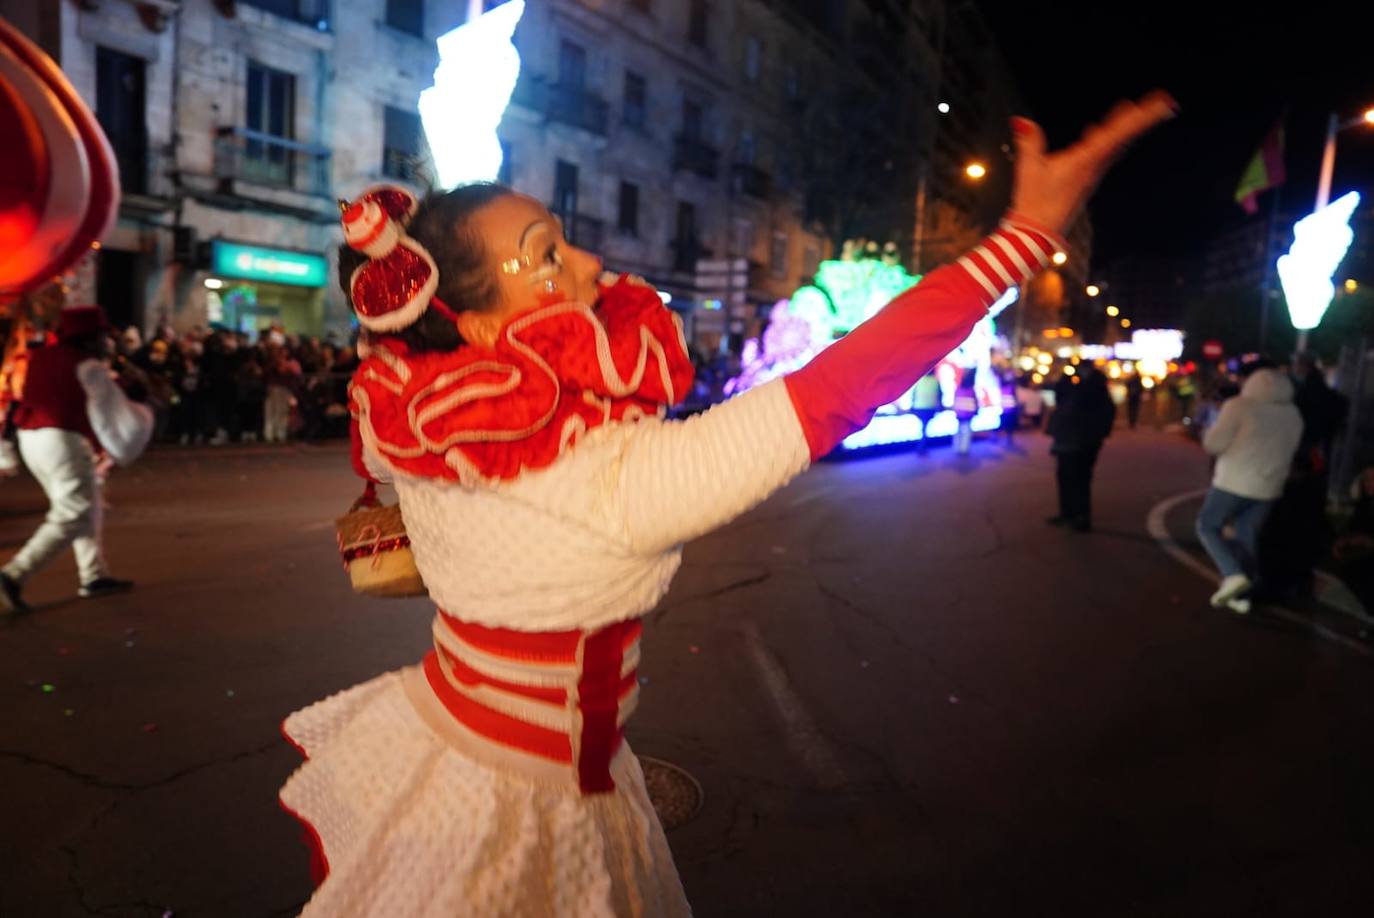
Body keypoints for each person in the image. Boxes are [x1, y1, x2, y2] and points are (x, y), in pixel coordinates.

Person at [277, 94, 1175, 915]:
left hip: (452, 741)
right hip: (523, 799)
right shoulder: (607, 476)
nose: (590, 262)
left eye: (566, 237)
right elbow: (834, 389)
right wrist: (1021, 238)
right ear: (474, 327)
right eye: (547, 257)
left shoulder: (418, 416)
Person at [0, 306, 153, 613]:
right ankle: (11, 577)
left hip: (32, 439)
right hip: (62, 440)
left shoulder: (39, 356)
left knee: (87, 506)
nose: (106, 342)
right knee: (74, 511)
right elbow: (104, 413)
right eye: (102, 336)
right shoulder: (88, 365)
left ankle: (94, 576)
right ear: (90, 337)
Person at [1195, 367, 1303, 613]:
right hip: (1269, 487)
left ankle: (1232, 575)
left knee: (1207, 525)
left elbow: (1214, 444)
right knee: (1246, 534)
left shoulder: (1239, 406)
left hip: (1234, 481)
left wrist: (1206, 433)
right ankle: (1241, 594)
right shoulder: (1293, 413)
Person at [1046, 365, 1116, 531]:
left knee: (1077, 478)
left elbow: (1061, 395)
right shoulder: (1088, 392)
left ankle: (1079, 516)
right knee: (1071, 477)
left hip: (1081, 441)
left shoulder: (1089, 393)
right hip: (1077, 440)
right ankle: (1072, 514)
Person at [952, 366, 979, 455]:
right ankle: (964, 448)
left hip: (959, 413)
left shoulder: (958, 388)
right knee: (967, 431)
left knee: (958, 430)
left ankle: (957, 447)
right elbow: (975, 402)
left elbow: (955, 400)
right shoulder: (971, 390)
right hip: (968, 414)